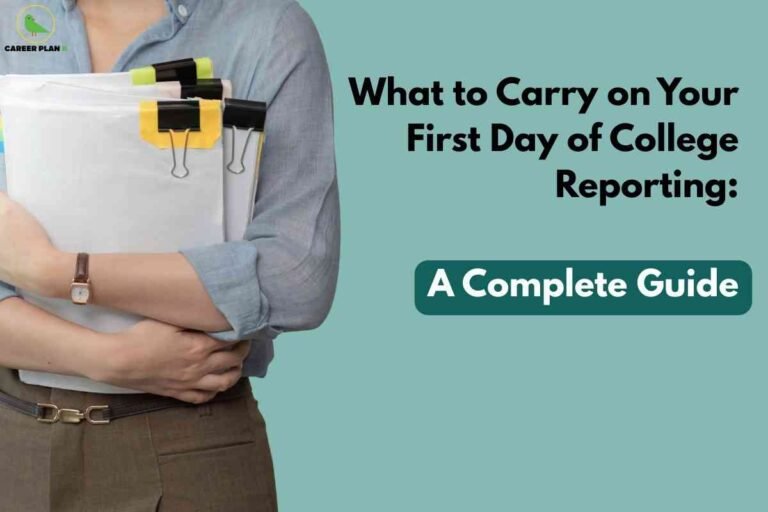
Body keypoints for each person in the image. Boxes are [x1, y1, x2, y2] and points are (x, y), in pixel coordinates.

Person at [0, 0, 339, 510]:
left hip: (191, 443)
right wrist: (109, 358)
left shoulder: (267, 30)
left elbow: (296, 277)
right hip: (11, 432)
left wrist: (54, 272)